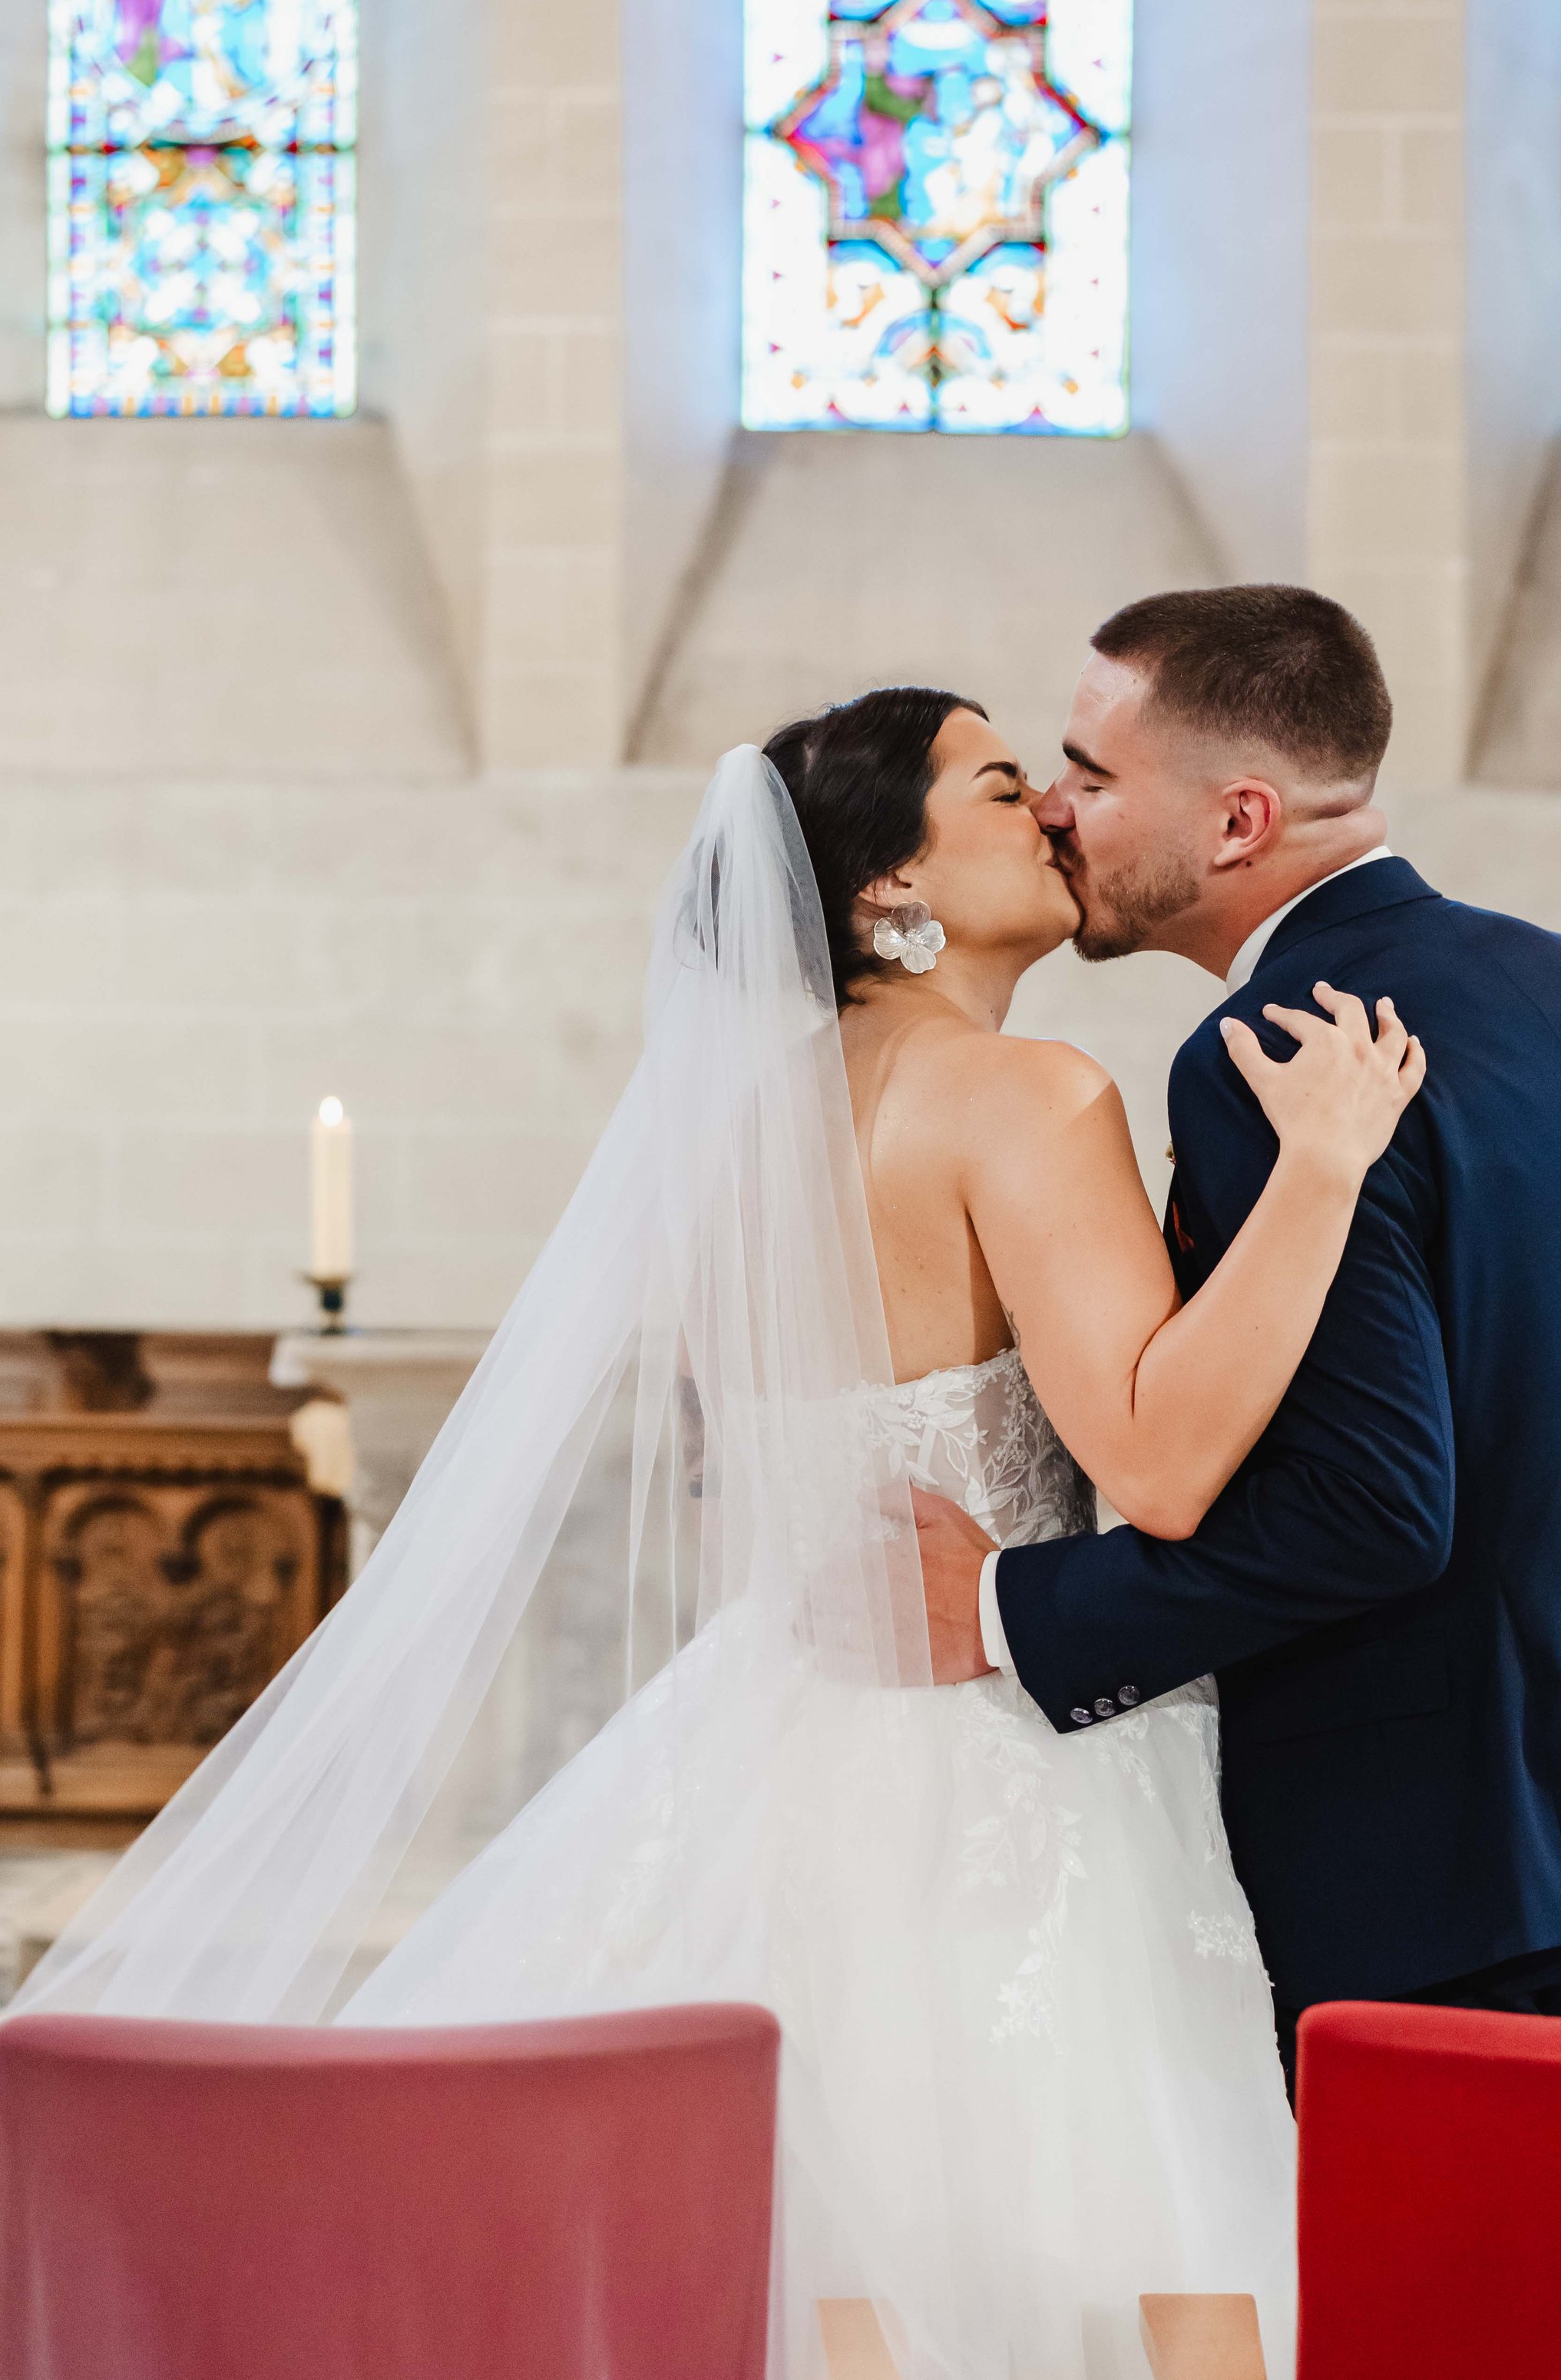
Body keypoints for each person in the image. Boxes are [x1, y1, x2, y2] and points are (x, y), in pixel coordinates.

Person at [10, 686, 1419, 2380]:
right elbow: (1164, 1463)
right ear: (886, 888)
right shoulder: (1027, 1095)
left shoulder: (740, 1129)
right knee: (1121, 2232)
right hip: (1006, 1749)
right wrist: (1323, 1171)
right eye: (995, 787)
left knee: (827, 2256)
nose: (1049, 809)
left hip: (775, 1731)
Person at [912, 583, 1561, 2101]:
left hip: (1440, 1844)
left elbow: (1359, 1515)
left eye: (1091, 773)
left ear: (1235, 820)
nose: (1055, 806)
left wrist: (1016, 1609)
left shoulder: (1272, 1057)